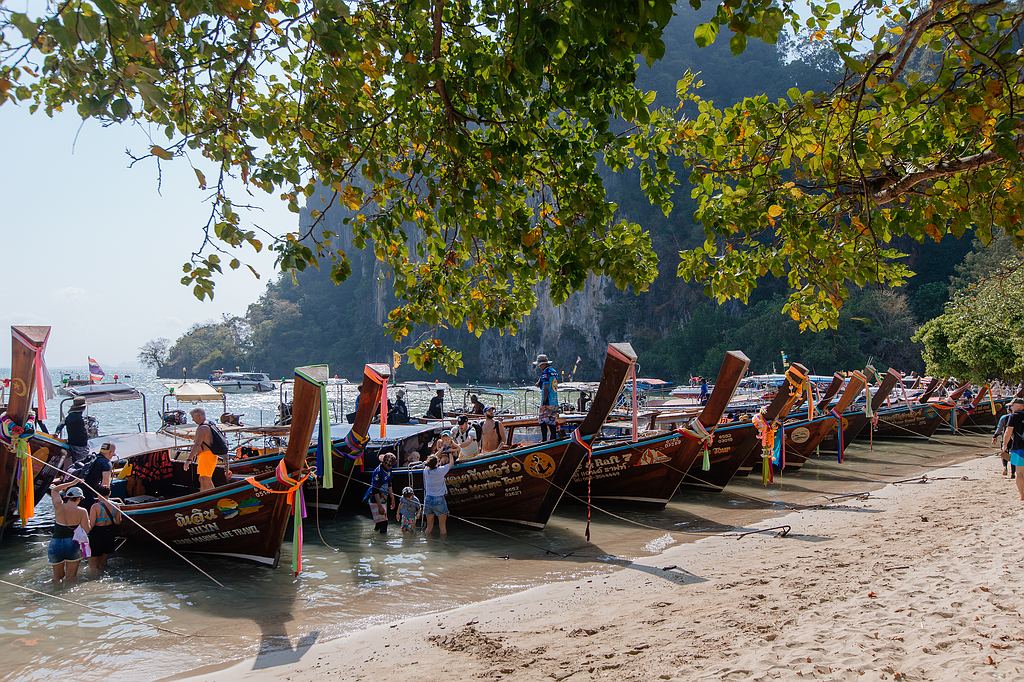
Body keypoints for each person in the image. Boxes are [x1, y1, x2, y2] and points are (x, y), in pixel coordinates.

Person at [48, 480, 91, 585]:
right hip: (72, 543)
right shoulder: (82, 511)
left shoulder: (59, 506)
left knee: (57, 578)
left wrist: (73, 482)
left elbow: (55, 489)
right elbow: (87, 529)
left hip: (56, 543)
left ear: (67, 497)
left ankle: (55, 596)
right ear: (80, 498)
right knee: (71, 578)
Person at [184, 408, 228, 492]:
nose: (193, 419)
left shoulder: (202, 428)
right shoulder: (209, 424)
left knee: (206, 478)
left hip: (207, 455)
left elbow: (197, 445)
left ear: (199, 416)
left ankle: (213, 498)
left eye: (193, 417)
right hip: (206, 455)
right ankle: (203, 495)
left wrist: (188, 459)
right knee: (202, 478)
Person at [88, 495, 122, 575]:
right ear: (109, 493)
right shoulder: (116, 505)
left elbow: (91, 524)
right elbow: (118, 522)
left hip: (97, 533)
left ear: (98, 494)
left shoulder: (95, 506)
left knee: (93, 563)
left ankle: (95, 580)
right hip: (109, 533)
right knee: (103, 562)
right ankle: (103, 576)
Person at [363, 452, 397, 533]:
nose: (390, 467)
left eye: (392, 466)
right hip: (376, 499)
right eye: (389, 466)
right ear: (384, 463)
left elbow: (389, 483)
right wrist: (379, 506)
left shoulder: (389, 469)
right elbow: (375, 490)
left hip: (383, 498)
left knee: (379, 523)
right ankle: (382, 543)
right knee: (384, 523)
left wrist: (392, 497)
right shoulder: (378, 472)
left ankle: (375, 536)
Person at [422, 452, 453, 537]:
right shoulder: (441, 470)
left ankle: (428, 544)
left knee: (429, 528)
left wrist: (440, 451)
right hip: (439, 499)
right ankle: (442, 545)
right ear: (437, 463)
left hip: (428, 499)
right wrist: (450, 453)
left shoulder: (425, 471)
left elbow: (429, 461)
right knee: (442, 528)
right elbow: (451, 463)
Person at [1001, 397, 1024, 500]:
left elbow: (1008, 431)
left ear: (1019, 406)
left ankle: (1022, 496)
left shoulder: (1013, 416)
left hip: (1019, 448)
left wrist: (1004, 445)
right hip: (1019, 448)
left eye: (1012, 405)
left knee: (1019, 473)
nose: (1010, 408)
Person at [83, 441, 116, 509]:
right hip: (88, 497)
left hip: (79, 492)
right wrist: (104, 505)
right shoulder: (106, 463)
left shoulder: (91, 457)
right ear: (111, 453)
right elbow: (105, 487)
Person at [534, 353, 559, 441]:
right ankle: (553, 439)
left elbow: (546, 387)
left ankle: (544, 439)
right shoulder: (554, 371)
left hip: (547, 401)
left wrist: (544, 403)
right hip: (554, 401)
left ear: (543, 364)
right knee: (552, 421)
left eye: (539, 365)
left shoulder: (545, 373)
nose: (539, 367)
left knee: (542, 421)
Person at [58, 396, 90, 463]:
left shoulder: (69, 416)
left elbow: (60, 424)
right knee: (82, 462)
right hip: (81, 445)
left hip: (72, 443)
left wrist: (57, 432)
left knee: (75, 460)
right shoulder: (79, 418)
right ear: (83, 408)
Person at [993, 410, 1015, 478]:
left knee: (1004, 453)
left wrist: (995, 436)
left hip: (1005, 437)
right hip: (1015, 439)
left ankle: (1005, 467)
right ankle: (1013, 473)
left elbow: (999, 428)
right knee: (1014, 455)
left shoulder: (1004, 417)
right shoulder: (1018, 416)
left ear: (1008, 410)